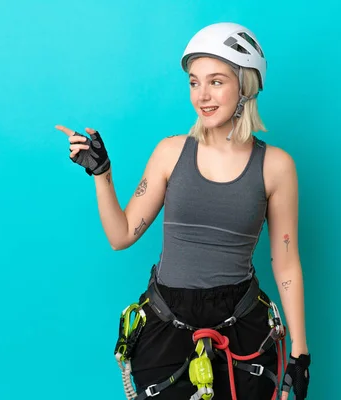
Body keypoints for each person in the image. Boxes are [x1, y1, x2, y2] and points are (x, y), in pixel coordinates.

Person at [56, 22, 311, 400]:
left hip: (241, 324)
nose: (202, 96)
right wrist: (102, 175)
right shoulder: (171, 152)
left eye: (216, 82)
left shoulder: (276, 167)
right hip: (165, 324)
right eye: (194, 82)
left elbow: (286, 263)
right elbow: (120, 236)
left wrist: (300, 353)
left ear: (246, 84)